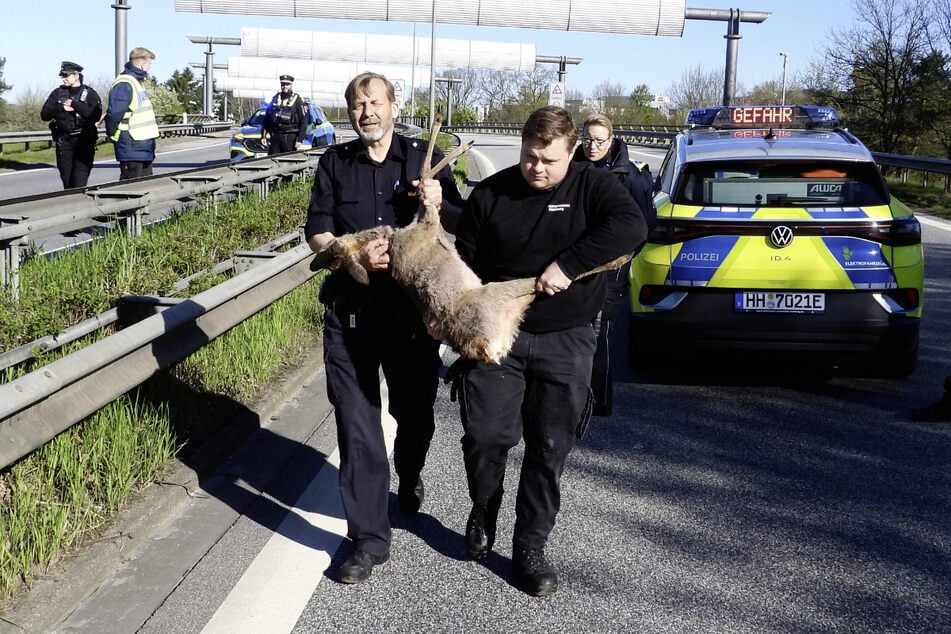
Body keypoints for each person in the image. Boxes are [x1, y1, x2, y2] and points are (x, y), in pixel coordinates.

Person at [450, 106, 647, 597]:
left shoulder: (592, 186)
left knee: (549, 447)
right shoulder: (491, 194)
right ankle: (484, 505)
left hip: (567, 334)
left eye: (549, 160)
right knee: (485, 435)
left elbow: (632, 227)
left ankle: (529, 547)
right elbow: (466, 267)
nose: (537, 168)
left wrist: (571, 264)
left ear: (572, 152)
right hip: (499, 335)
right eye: (530, 157)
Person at [303, 72, 464, 584]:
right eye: (356, 104)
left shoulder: (422, 160)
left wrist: (438, 202)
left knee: (414, 415)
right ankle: (368, 539)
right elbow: (317, 232)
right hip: (350, 314)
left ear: (394, 106)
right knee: (358, 424)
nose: (365, 112)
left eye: (374, 102)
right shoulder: (335, 163)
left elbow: (461, 222)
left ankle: (410, 474)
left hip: (413, 317)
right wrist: (351, 251)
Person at [572, 113, 657, 417]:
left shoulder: (629, 176)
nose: (592, 146)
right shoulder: (573, 167)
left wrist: (623, 257)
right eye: (587, 139)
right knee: (574, 324)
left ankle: (599, 399)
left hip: (612, 262)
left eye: (598, 140)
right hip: (578, 257)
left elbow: (645, 223)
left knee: (602, 328)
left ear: (611, 140)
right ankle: (571, 396)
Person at [40, 61, 102, 189]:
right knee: (67, 181)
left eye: (66, 76)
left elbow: (94, 115)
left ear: (76, 75)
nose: (64, 79)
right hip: (64, 142)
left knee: (79, 180)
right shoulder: (57, 93)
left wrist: (74, 105)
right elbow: (44, 115)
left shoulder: (90, 94)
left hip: (84, 140)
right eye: (62, 76)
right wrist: (61, 107)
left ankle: (79, 205)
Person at [105, 47, 159, 181]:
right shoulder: (125, 84)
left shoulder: (135, 83)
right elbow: (115, 113)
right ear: (143, 64)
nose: (149, 68)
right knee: (130, 186)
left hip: (142, 145)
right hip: (131, 144)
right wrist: (111, 133)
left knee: (144, 187)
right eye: (149, 64)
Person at [264, 75, 308, 155]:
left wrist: (300, 139)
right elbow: (267, 118)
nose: (285, 86)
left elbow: (303, 121)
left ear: (291, 85)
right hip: (276, 136)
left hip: (290, 137)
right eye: (283, 84)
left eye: (287, 84)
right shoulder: (275, 98)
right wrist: (263, 135)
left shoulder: (297, 100)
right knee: (273, 160)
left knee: (289, 163)